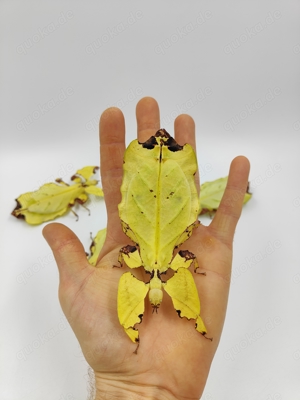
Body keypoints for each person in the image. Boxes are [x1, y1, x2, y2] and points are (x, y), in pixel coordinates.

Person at [43, 97, 250, 399]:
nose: (154, 302)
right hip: (168, 213)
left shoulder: (135, 259)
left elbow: (162, 259)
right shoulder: (168, 263)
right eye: (157, 299)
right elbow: (187, 259)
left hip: (149, 211)